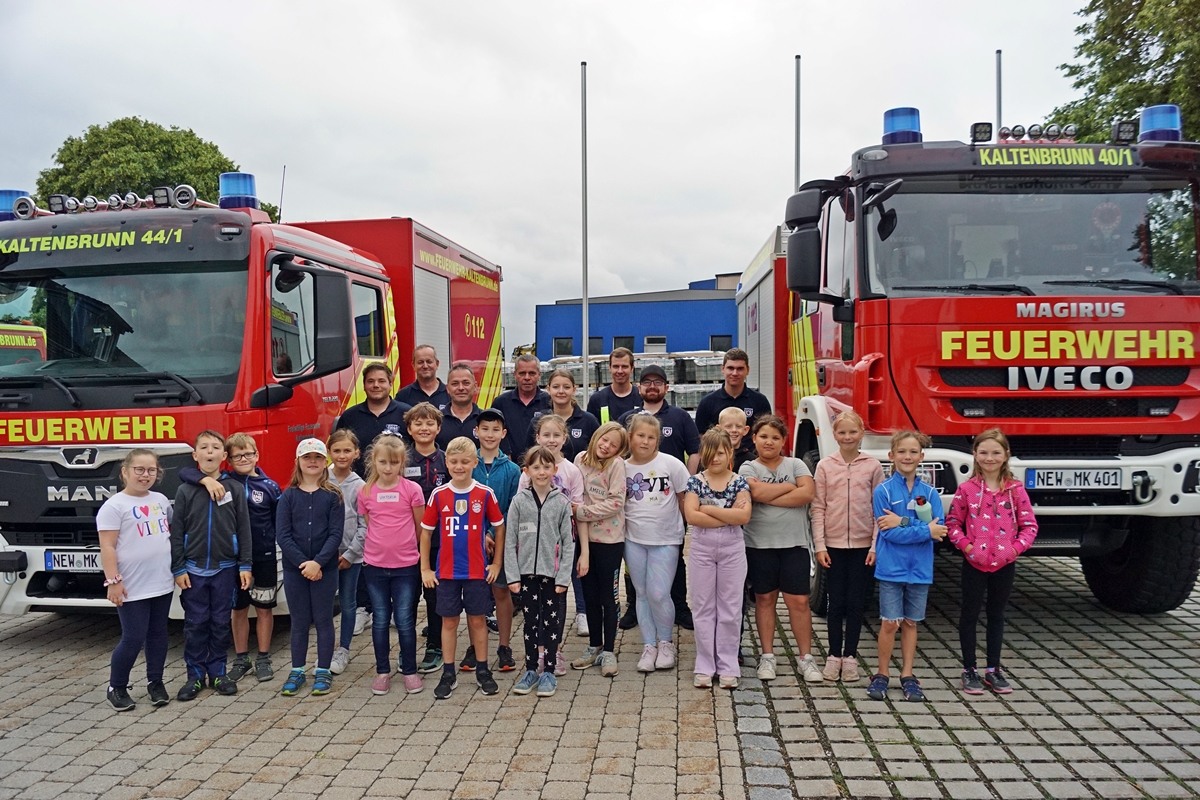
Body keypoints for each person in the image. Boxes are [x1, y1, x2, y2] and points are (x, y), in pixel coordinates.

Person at [180, 433, 282, 685]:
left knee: (264, 608)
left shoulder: (270, 486)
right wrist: (204, 478)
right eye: (238, 455)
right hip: (236, 561)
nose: (244, 459)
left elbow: (279, 523)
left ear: (257, 455)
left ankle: (263, 657)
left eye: (248, 454)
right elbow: (185, 472)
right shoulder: (226, 482)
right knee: (238, 609)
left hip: (263, 557)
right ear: (229, 459)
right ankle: (241, 658)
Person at [947, 428, 1038, 696]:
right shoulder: (966, 489)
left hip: (1004, 564)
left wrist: (1013, 550)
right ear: (974, 454)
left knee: (997, 615)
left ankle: (993, 669)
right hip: (974, 563)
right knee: (969, 615)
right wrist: (968, 547)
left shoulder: (1016, 490)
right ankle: (969, 669)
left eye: (996, 452)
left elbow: (1029, 526)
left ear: (1006, 455)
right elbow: (953, 523)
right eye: (984, 452)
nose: (990, 457)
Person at [420, 437, 507, 700]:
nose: (459, 466)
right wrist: (425, 568)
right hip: (446, 572)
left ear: (474, 463)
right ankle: (448, 673)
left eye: (465, 462)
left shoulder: (484, 493)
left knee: (478, 620)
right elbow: (425, 534)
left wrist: (496, 563)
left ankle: (482, 670)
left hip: (477, 571)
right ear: (446, 463)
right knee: (449, 622)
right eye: (454, 462)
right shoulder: (439, 494)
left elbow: (500, 527)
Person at [739, 415, 824, 684]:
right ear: (754, 438)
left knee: (798, 602)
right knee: (765, 600)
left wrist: (771, 493)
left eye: (775, 437)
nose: (769, 441)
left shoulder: (796, 464)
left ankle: (806, 659)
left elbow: (807, 494)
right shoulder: (747, 468)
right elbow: (755, 494)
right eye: (763, 436)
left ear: (784, 441)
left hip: (794, 545)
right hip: (759, 545)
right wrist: (788, 488)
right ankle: (767, 657)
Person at [171, 431, 252, 701]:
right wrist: (179, 568)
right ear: (195, 456)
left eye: (215, 447)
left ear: (224, 456)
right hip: (193, 571)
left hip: (226, 569)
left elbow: (244, 529)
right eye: (203, 447)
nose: (209, 452)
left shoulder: (235, 489)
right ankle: (194, 676)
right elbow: (177, 531)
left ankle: (218, 673)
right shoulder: (185, 490)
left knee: (219, 623)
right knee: (195, 624)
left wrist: (245, 565)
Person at [618, 364, 700, 631]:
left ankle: (680, 607)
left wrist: (684, 485)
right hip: (637, 505)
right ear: (639, 387)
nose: (652, 386)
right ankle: (634, 607)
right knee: (634, 563)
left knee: (674, 558)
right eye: (647, 382)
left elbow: (694, 451)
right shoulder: (628, 417)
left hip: (670, 501)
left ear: (667, 387)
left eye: (658, 382)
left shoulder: (679, 416)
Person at [866, 431, 946, 703]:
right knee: (890, 623)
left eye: (913, 452)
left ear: (921, 457)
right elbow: (888, 533)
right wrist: (923, 529)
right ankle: (882, 673)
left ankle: (908, 675)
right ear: (891, 456)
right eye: (902, 452)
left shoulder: (931, 492)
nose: (907, 457)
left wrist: (902, 521)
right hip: (891, 568)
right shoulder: (883, 491)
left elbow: (940, 529)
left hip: (920, 570)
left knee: (911, 622)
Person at [811, 411, 884, 683]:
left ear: (862, 433)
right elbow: (818, 507)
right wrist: (820, 545)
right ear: (834, 435)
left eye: (852, 432)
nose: (847, 437)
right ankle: (833, 655)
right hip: (834, 545)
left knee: (856, 602)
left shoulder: (873, 466)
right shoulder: (825, 466)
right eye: (842, 433)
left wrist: (875, 545)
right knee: (835, 602)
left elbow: (880, 510)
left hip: (863, 546)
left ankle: (850, 656)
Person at [98, 449, 174, 712]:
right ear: (125, 472)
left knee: (158, 635)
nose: (145, 475)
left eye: (151, 470)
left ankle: (156, 683)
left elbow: (169, 535)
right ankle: (116, 686)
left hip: (161, 582)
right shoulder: (114, 506)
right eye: (139, 470)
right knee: (133, 637)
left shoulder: (162, 500)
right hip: (131, 586)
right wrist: (113, 581)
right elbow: (107, 547)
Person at [518, 414, 588, 675]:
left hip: (561, 547)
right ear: (537, 438)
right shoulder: (526, 473)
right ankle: (537, 650)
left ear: (564, 438)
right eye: (545, 435)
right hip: (533, 550)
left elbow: (578, 512)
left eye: (556, 435)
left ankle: (553, 649)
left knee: (557, 600)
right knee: (533, 601)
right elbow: (519, 510)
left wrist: (584, 552)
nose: (551, 440)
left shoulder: (571, 472)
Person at [358, 433, 427, 695]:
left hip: (406, 566)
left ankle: (409, 670)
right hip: (375, 567)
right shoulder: (365, 492)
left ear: (402, 464)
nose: (388, 468)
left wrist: (415, 556)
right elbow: (368, 524)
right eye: (383, 462)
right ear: (374, 461)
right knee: (380, 619)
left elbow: (421, 527)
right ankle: (382, 671)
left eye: (394, 463)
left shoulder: (412, 490)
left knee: (405, 620)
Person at [683, 429, 752, 691]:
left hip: (732, 549)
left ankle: (728, 665)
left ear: (730, 453)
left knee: (730, 609)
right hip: (702, 549)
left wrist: (708, 509)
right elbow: (691, 516)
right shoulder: (695, 482)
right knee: (702, 607)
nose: (715, 458)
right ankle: (704, 663)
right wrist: (727, 512)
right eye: (710, 454)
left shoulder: (739, 482)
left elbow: (744, 517)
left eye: (720, 453)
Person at [506, 445, 576, 697]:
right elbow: (510, 539)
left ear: (554, 470)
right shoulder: (519, 501)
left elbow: (569, 543)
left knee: (551, 623)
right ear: (527, 471)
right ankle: (531, 670)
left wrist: (563, 577)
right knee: (530, 623)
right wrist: (512, 575)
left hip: (552, 575)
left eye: (547, 466)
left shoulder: (562, 502)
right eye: (536, 467)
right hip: (525, 576)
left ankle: (548, 672)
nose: (542, 471)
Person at [623, 414, 691, 674]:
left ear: (658, 441)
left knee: (659, 593)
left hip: (666, 539)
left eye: (651, 437)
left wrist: (689, 532)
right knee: (641, 593)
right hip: (634, 540)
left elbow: (685, 500)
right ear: (630, 437)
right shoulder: (622, 467)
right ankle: (648, 645)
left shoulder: (671, 465)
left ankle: (665, 643)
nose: (645, 441)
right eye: (640, 435)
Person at [276, 439, 344, 697]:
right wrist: (304, 563)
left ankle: (323, 670)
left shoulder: (333, 496)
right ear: (298, 462)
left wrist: (318, 562)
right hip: (296, 571)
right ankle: (297, 670)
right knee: (299, 621)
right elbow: (283, 535)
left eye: (317, 457)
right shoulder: (288, 496)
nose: (312, 461)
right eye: (307, 457)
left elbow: (335, 534)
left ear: (325, 461)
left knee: (324, 619)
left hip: (325, 569)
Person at [466, 408, 522, 673]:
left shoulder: (512, 470)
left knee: (501, 591)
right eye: (484, 429)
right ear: (476, 432)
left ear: (504, 433)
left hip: (501, 539)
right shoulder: (467, 463)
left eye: (495, 429)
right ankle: (474, 647)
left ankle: (504, 645)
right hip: (469, 541)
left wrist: (491, 533)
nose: (490, 434)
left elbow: (512, 505)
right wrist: (478, 533)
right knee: (474, 593)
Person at [571, 422, 628, 677]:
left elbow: (616, 501)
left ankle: (609, 651)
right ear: (596, 437)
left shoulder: (616, 465)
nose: (606, 446)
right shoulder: (580, 459)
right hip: (584, 541)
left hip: (610, 541)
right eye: (604, 440)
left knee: (608, 597)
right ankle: (594, 645)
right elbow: (576, 494)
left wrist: (583, 512)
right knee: (590, 596)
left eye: (613, 445)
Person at [405, 402, 451, 674]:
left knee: (435, 595)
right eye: (418, 423)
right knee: (408, 596)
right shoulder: (401, 460)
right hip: (406, 541)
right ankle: (407, 647)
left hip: (439, 542)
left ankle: (435, 645)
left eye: (429, 423)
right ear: (409, 429)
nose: (424, 428)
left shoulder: (447, 460)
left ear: (438, 428)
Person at [327, 430, 367, 676]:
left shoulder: (361, 486)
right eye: (337, 450)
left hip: (351, 556)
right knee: (325, 604)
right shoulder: (321, 479)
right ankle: (326, 647)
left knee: (348, 602)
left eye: (347, 450)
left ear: (356, 453)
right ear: (329, 452)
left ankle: (343, 648)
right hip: (324, 556)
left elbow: (365, 525)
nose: (342, 455)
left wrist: (350, 554)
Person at [335, 362, 413, 477]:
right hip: (359, 485)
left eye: (381, 381)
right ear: (364, 385)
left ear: (390, 384)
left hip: (398, 484)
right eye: (370, 381)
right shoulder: (349, 416)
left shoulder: (407, 413)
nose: (376, 385)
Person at [525, 367, 599, 465]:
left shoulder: (589, 421)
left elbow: (597, 454)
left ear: (574, 390)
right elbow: (529, 455)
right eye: (556, 387)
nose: (561, 391)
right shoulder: (538, 421)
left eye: (566, 387)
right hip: (544, 478)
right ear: (548, 389)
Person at [694, 348, 773, 435]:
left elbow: (766, 433)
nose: (735, 373)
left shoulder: (760, 401)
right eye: (730, 368)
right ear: (723, 369)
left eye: (740, 369)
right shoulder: (707, 403)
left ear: (748, 370)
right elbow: (701, 437)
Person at [490, 354, 551, 459]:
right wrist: (505, 452)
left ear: (539, 375)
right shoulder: (501, 403)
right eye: (522, 373)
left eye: (532, 373)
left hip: (541, 465)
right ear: (515, 375)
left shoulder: (549, 402)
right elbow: (493, 430)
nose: (527, 377)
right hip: (508, 465)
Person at [586, 347, 641, 424]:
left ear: (632, 368)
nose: (620, 371)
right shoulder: (597, 400)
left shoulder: (642, 398)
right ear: (609, 368)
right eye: (616, 366)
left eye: (624, 366)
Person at [437, 362, 482, 450]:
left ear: (475, 387)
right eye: (455, 383)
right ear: (447, 389)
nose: (461, 388)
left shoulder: (486, 419)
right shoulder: (436, 420)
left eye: (466, 383)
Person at [395, 345, 452, 411]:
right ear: (413, 366)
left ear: (437, 364)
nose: (425, 366)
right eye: (420, 362)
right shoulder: (403, 396)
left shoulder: (450, 394)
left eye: (429, 361)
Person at [718, 407, 756, 472]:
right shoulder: (711, 457)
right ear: (718, 429)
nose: (734, 430)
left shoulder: (751, 460)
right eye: (728, 426)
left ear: (745, 430)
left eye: (738, 426)